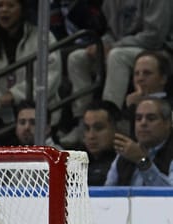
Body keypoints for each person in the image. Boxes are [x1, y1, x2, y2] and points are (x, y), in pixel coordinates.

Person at [62, 0, 173, 145]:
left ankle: (107, 120)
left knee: (116, 56)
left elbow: (154, 37)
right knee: (77, 58)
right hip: (123, 48)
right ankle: (82, 122)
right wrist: (101, 44)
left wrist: (113, 46)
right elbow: (111, 32)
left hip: (158, 51)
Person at [0, 0, 61, 130]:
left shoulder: (42, 36)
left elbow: (50, 76)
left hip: (37, 115)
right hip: (1, 115)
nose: (4, 10)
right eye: (0, 6)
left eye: (10, 5)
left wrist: (15, 95)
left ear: (22, 10)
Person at [104, 96, 173, 186]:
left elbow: (169, 196)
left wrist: (142, 162)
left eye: (151, 118)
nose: (143, 123)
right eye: (138, 118)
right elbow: (107, 193)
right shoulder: (124, 154)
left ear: (167, 123)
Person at [81, 100, 119, 186]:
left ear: (116, 128)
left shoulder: (124, 164)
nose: (91, 136)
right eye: (87, 128)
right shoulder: (74, 162)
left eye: (99, 128)